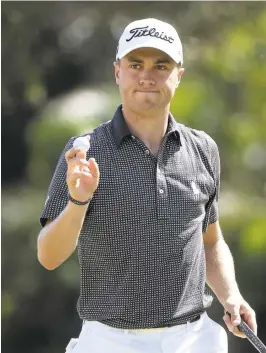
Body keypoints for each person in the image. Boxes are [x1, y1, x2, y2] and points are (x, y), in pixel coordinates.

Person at [37, 18, 257, 353]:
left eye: (161, 65)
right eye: (135, 64)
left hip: (194, 339)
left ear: (178, 75)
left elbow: (209, 240)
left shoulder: (203, 149)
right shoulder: (84, 150)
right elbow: (49, 256)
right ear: (117, 72)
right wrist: (78, 202)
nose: (147, 76)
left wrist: (231, 295)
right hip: (109, 341)